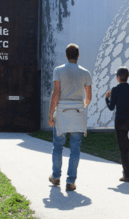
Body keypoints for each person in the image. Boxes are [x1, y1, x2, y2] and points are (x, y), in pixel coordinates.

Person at [48, 43, 92, 192]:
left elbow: (56, 93)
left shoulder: (58, 70)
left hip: (62, 112)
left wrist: (50, 114)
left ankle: (56, 177)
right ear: (78, 56)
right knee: (75, 149)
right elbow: (89, 97)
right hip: (78, 112)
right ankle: (71, 182)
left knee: (58, 146)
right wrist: (81, 107)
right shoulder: (85, 72)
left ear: (66, 56)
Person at [105, 66, 129, 182]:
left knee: (122, 148)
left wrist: (107, 98)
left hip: (119, 121)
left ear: (118, 78)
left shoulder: (115, 90)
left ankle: (126, 174)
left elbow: (111, 108)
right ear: (127, 76)